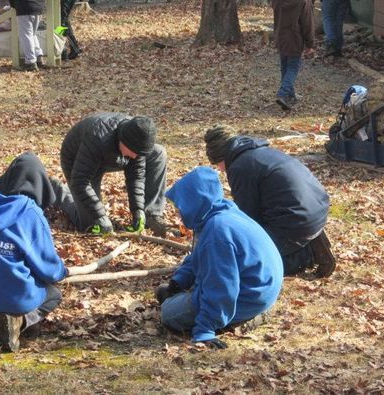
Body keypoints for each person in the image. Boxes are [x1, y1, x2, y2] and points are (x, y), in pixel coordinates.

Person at [155, 167, 284, 349]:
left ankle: (237, 318)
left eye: (180, 207)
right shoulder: (223, 212)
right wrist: (178, 282)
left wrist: (205, 330)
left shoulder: (216, 232)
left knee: (168, 313)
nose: (178, 213)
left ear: (194, 203)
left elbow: (221, 287)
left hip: (249, 297)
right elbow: (199, 256)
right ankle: (239, 315)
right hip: (262, 290)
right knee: (166, 295)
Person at [0, 152, 75, 352]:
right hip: (14, 294)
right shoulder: (29, 212)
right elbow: (48, 267)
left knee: (8, 267)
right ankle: (21, 322)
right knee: (53, 294)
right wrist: (62, 272)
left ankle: (5, 313)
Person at [204, 126, 336, 278]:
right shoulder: (263, 151)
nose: (220, 170)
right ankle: (309, 241)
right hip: (317, 209)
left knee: (250, 264)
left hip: (297, 222)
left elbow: (248, 217)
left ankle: (306, 256)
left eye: (218, 164)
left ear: (222, 156)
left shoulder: (239, 167)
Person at [60, 112, 169, 236]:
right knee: (91, 225)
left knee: (158, 153)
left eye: (138, 154)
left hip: (112, 155)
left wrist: (138, 210)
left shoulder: (137, 141)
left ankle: (151, 215)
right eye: (134, 152)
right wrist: (100, 215)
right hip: (77, 158)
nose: (134, 156)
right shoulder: (98, 137)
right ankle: (60, 192)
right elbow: (80, 181)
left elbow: (136, 176)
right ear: (123, 140)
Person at [272, 0, 315, 111]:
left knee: (285, 67)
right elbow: (307, 23)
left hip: (280, 37)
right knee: (292, 67)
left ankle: (290, 95)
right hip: (295, 38)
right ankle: (284, 93)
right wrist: (310, 44)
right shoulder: (304, 2)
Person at [8, 0, 46, 71]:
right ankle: (38, 56)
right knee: (33, 34)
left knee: (26, 36)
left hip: (24, 8)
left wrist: (14, 5)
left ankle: (30, 62)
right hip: (38, 8)